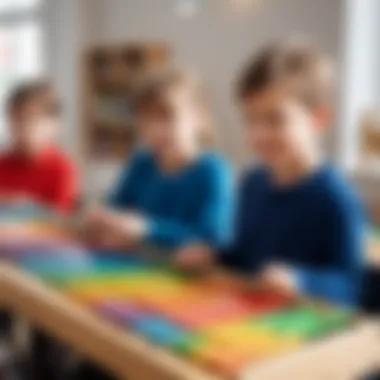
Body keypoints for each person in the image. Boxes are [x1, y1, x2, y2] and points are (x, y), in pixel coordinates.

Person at [183, 41, 365, 306]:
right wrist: (216, 256)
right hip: (255, 317)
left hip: (305, 330)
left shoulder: (338, 199)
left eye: (275, 119)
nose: (259, 135)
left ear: (319, 119)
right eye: (250, 120)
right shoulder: (252, 184)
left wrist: (301, 281)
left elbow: (349, 288)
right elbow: (247, 257)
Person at [85, 66, 233, 269]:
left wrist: (147, 228)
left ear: (200, 118)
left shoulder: (212, 170)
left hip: (185, 279)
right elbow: (116, 207)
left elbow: (213, 238)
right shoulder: (141, 162)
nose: (156, 129)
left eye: (168, 116)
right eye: (146, 120)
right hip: (135, 267)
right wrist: (103, 218)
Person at [0, 80, 78, 212]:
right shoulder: (2, 162)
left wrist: (25, 205)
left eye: (33, 120)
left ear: (54, 125)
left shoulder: (63, 168)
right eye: (17, 120)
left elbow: (61, 218)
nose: (24, 128)